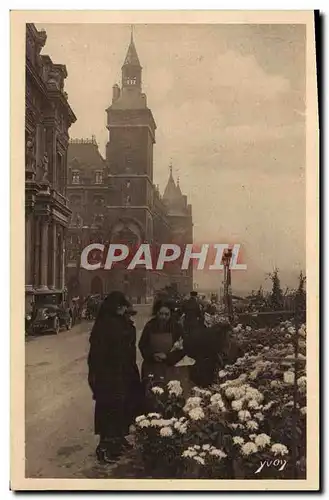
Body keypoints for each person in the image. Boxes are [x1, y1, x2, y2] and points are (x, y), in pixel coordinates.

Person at [87, 291, 142, 463]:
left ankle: (118, 439)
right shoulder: (104, 325)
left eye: (123, 305)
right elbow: (97, 355)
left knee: (123, 407)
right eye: (119, 306)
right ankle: (104, 447)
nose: (122, 308)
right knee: (109, 409)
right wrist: (98, 375)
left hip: (124, 372)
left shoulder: (122, 323)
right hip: (108, 375)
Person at [139, 299, 191, 397]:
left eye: (166, 314)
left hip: (171, 368)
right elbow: (142, 345)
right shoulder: (150, 326)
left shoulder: (176, 327)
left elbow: (183, 348)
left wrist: (168, 357)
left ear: (171, 314)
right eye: (161, 314)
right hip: (152, 367)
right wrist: (152, 355)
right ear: (157, 313)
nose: (163, 317)